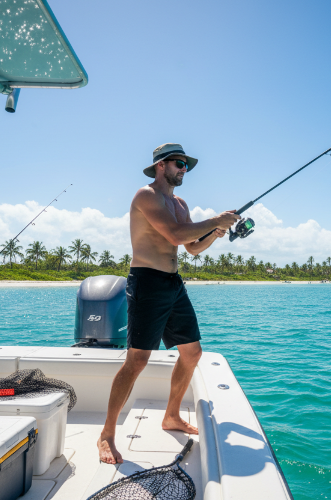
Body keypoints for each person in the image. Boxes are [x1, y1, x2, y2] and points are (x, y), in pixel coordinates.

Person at [97, 143, 240, 464]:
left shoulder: (179, 202)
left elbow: (191, 247)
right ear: (161, 165)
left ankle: (171, 416)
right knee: (137, 361)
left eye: (187, 165)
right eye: (179, 163)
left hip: (173, 284)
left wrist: (215, 232)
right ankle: (106, 434)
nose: (184, 169)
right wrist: (216, 219)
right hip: (147, 282)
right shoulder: (145, 196)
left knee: (192, 352)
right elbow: (175, 234)